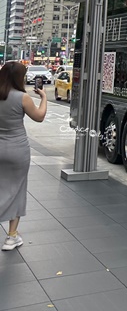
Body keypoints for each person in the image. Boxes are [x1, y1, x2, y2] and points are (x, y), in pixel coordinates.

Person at [0, 61, 47, 251]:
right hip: (17, 150)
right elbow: (39, 116)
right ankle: (11, 237)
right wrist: (43, 97)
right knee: (17, 190)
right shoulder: (22, 97)